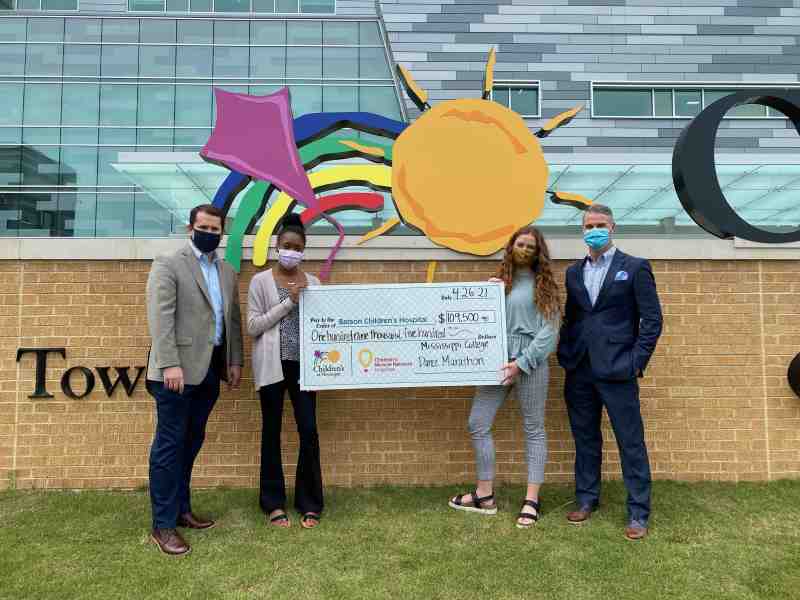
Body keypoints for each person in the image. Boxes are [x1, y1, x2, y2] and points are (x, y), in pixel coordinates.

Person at [557, 203, 662, 541]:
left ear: (613, 227)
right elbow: (573, 318)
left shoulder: (634, 267)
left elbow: (652, 321)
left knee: (630, 442)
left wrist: (636, 361)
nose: (595, 230)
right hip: (580, 371)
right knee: (585, 439)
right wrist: (566, 352)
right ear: (582, 231)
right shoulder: (573, 273)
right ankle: (587, 499)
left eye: (600, 224)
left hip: (619, 370)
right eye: (589, 225)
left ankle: (638, 512)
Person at [145, 203, 243, 556]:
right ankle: (163, 525)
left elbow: (231, 320)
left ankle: (182, 510)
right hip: (175, 373)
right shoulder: (169, 264)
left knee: (191, 442)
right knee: (169, 447)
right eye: (204, 227)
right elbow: (160, 319)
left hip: (209, 371)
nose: (210, 233)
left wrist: (234, 361)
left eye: (216, 229)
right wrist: (170, 364)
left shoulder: (228, 271)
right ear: (191, 228)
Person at [448, 226, 560, 528]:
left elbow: (549, 333)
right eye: (519, 244)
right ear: (510, 247)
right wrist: (489, 296)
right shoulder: (501, 284)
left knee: (533, 428)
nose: (524, 249)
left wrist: (520, 364)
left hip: (531, 363)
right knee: (478, 422)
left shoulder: (545, 286)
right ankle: (484, 494)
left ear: (539, 253)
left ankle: (531, 499)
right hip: (496, 360)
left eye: (530, 246)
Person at [248, 213, 323, 529]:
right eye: (286, 245)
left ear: (304, 251)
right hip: (271, 368)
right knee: (271, 431)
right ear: (277, 246)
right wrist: (288, 303)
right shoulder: (260, 282)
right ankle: (273, 503)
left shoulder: (314, 283)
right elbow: (253, 326)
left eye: (297, 247)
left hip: (304, 368)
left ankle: (310, 502)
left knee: (308, 431)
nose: (291, 251)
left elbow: (322, 327)